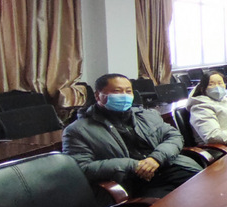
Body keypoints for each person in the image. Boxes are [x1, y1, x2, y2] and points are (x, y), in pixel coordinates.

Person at [62, 73, 201, 200]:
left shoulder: (146, 115)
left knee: (205, 190)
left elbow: (174, 136)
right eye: (117, 91)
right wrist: (133, 165)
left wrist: (156, 158)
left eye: (128, 91)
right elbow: (81, 168)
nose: (124, 96)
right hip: (131, 183)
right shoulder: (78, 130)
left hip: (167, 167)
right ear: (98, 96)